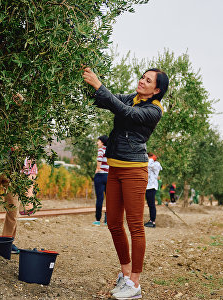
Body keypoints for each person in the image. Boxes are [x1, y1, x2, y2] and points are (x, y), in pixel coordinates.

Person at [83, 66, 169, 299]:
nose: (142, 81)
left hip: (133, 171)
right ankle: (125, 274)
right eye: (142, 77)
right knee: (113, 223)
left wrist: (99, 85)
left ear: (157, 89)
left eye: (148, 80)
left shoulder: (154, 110)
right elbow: (107, 101)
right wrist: (85, 82)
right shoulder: (132, 98)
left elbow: (125, 113)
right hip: (115, 168)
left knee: (135, 226)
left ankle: (135, 283)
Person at [93, 135, 109, 226]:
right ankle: (107, 220)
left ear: (102, 142)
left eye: (98, 141)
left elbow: (99, 159)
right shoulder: (110, 150)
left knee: (100, 198)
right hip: (108, 176)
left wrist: (98, 168)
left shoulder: (101, 149)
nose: (97, 143)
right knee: (109, 199)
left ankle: (98, 220)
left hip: (100, 175)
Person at [144, 153, 162, 228]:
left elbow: (150, 165)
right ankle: (151, 220)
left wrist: (150, 159)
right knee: (149, 204)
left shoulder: (156, 164)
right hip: (147, 186)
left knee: (151, 205)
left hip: (152, 186)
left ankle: (152, 221)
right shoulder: (148, 163)